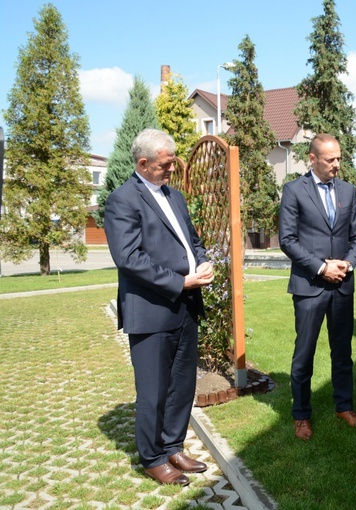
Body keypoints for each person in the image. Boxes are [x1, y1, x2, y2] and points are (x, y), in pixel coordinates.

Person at [104, 129, 213, 486]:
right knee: (153, 390)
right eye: (166, 165)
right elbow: (129, 258)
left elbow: (192, 241)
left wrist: (201, 262)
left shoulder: (175, 197)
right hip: (151, 310)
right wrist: (179, 281)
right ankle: (152, 457)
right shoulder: (123, 200)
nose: (172, 170)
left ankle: (173, 446)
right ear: (143, 163)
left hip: (185, 306)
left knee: (182, 384)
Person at [278, 133, 356, 440]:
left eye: (339, 158)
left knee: (342, 352)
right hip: (309, 286)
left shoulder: (348, 190)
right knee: (304, 353)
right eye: (330, 159)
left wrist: (348, 262)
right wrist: (321, 267)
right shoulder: (293, 191)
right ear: (312, 159)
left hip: (343, 285)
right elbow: (287, 240)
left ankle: (345, 406)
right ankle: (301, 414)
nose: (337, 165)